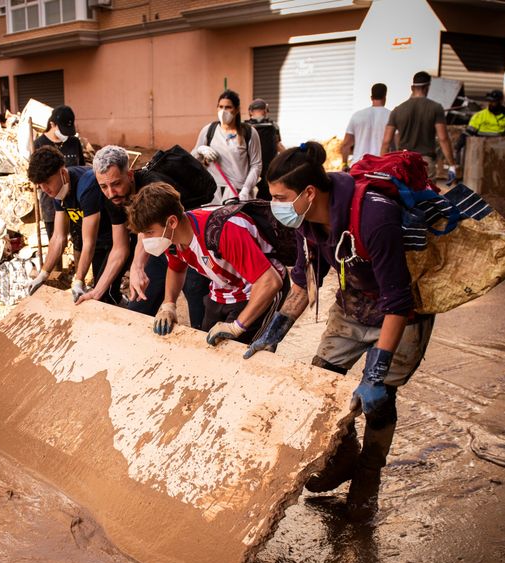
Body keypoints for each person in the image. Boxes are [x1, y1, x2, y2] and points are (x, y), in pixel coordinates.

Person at [244, 142, 435, 522]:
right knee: (321, 385)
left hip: (402, 313)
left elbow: (398, 302)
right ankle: (342, 455)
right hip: (352, 304)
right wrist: (273, 333)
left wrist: (376, 374)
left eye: (280, 197)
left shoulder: (373, 217)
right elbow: (303, 283)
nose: (276, 205)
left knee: (378, 401)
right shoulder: (305, 221)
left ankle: (367, 480)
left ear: (309, 192)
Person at [124, 182, 286, 344]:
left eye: (149, 232)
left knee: (237, 354)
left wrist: (237, 326)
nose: (145, 239)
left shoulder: (223, 232)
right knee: (207, 346)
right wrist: (169, 304)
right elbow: (176, 269)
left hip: (257, 290)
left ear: (172, 222)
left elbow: (270, 281)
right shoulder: (172, 239)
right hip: (223, 290)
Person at [83, 145, 211, 328]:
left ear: (130, 174)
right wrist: (97, 292)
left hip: (187, 245)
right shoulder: (113, 197)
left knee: (199, 309)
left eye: (116, 184)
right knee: (139, 307)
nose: (111, 193)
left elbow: (145, 233)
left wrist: (137, 266)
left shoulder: (154, 184)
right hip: (157, 247)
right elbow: (119, 248)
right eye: (103, 186)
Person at [25, 145, 125, 305]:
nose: (45, 189)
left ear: (62, 173)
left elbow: (89, 242)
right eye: (40, 185)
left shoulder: (86, 186)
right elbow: (58, 237)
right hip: (100, 242)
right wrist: (42, 275)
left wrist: (78, 280)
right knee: (103, 294)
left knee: (106, 294)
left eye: (47, 182)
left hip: (116, 240)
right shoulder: (58, 190)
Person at [32, 105, 85, 270]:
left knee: (79, 239)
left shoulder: (74, 142)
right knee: (55, 237)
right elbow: (36, 175)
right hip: (51, 202)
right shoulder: (39, 143)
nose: (66, 134)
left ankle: (79, 274)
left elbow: (81, 167)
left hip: (74, 200)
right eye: (63, 129)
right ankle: (56, 274)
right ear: (52, 124)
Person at [382, 71, 457, 183]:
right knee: (427, 197)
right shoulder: (435, 108)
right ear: (427, 87)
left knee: (405, 197)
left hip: (404, 161)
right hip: (425, 163)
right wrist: (452, 165)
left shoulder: (397, 110)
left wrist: (382, 166)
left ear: (412, 88)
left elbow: (386, 142)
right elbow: (443, 139)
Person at [193, 90, 263, 202]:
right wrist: (200, 150)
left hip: (238, 193)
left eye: (228, 107)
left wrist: (246, 189)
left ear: (237, 110)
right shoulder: (208, 130)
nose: (223, 111)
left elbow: (256, 165)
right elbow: (193, 159)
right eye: (220, 107)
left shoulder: (249, 132)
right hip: (213, 193)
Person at [454, 89, 505, 166]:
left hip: (499, 148)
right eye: (490, 101)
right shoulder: (479, 116)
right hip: (481, 148)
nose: (491, 103)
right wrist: (461, 141)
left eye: (494, 102)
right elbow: (469, 132)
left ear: (500, 102)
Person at [342, 83, 390, 169]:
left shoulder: (357, 115)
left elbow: (346, 144)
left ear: (371, 97)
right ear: (385, 97)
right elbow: (397, 144)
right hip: (381, 167)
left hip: (358, 166)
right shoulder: (390, 115)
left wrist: (344, 164)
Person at [245, 98, 284, 200]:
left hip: (249, 168)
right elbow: (278, 145)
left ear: (250, 111)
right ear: (266, 110)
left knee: (246, 195)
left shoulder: (244, 127)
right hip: (268, 168)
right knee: (266, 196)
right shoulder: (273, 125)